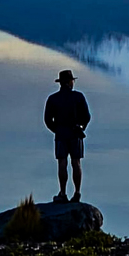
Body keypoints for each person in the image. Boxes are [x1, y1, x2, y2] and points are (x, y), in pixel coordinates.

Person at [44, 69, 91, 203]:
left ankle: (63, 193)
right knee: (76, 162)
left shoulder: (53, 99)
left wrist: (57, 130)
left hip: (61, 134)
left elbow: (47, 120)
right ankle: (77, 193)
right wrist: (81, 127)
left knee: (62, 163)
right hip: (75, 134)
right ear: (70, 82)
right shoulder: (78, 97)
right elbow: (87, 116)